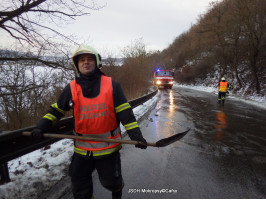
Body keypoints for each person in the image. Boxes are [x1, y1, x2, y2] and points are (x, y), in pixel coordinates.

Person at [31, 44, 148, 199]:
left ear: (97, 63)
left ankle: (117, 189)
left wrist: (137, 136)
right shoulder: (71, 88)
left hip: (108, 150)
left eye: (90, 59)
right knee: (80, 190)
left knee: (111, 182)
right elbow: (56, 110)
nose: (86, 62)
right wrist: (41, 126)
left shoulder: (112, 85)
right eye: (82, 60)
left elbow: (126, 114)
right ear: (77, 65)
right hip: (81, 151)